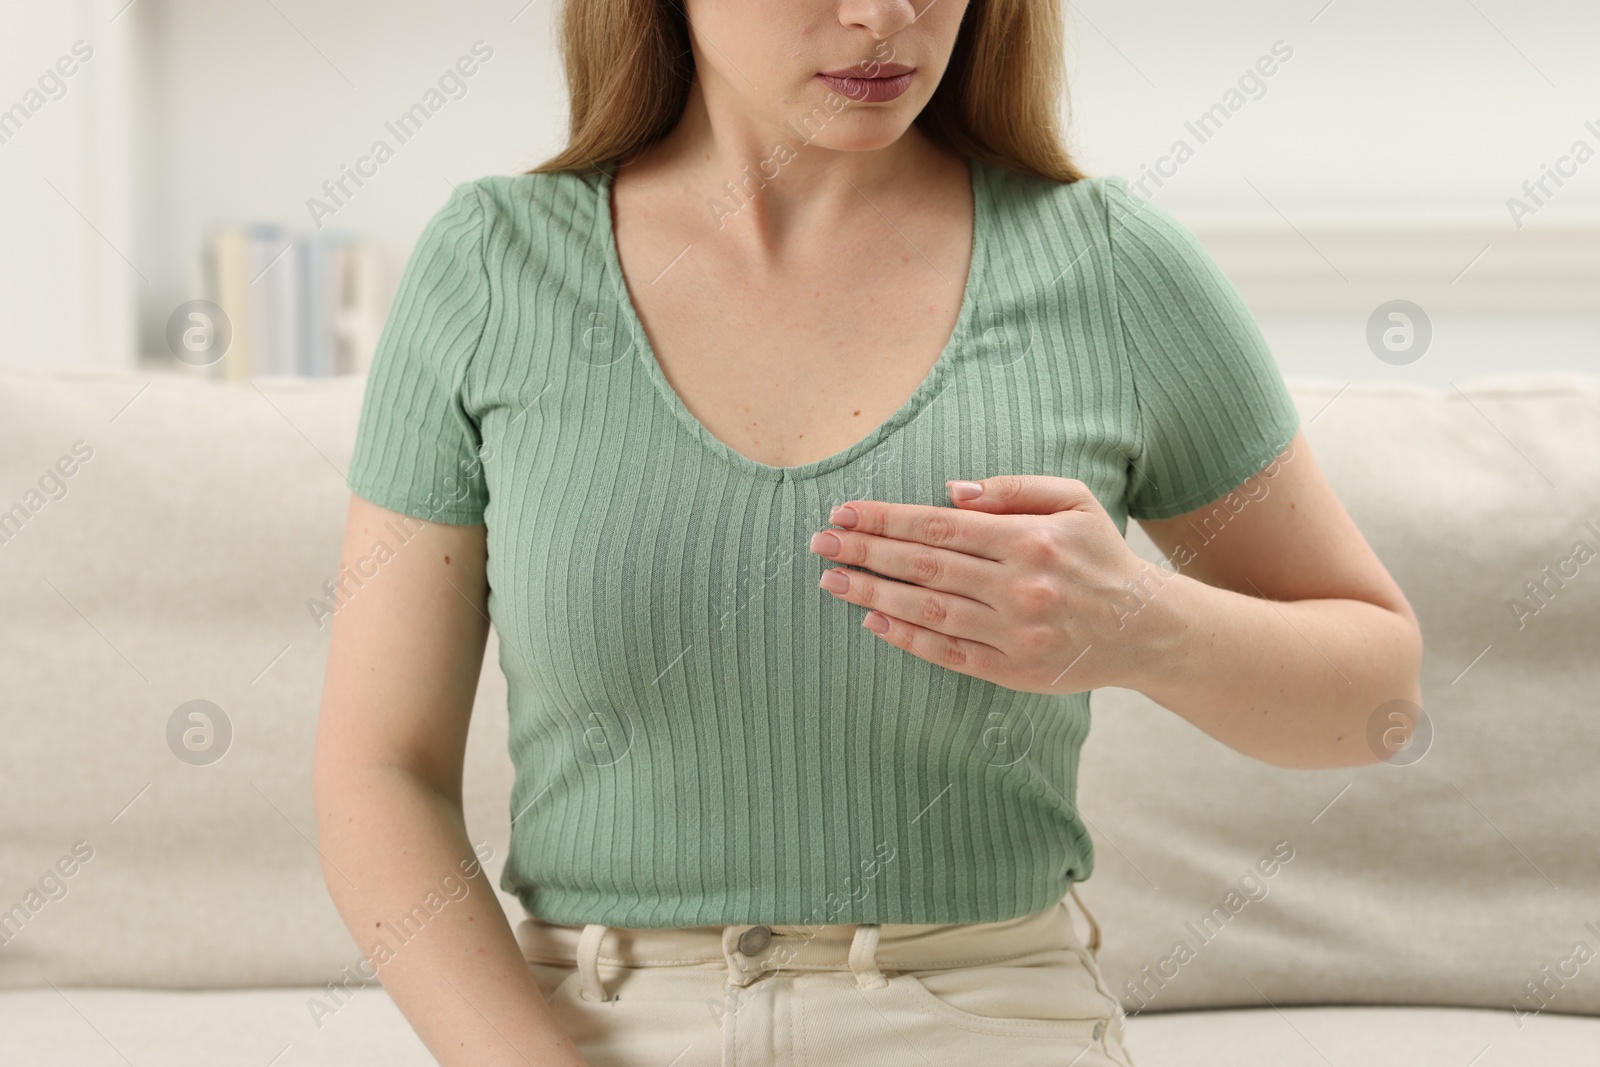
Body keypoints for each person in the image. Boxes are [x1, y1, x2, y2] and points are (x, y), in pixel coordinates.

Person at [312, 1, 1423, 1064]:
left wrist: (1140, 624)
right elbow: (379, 769)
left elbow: (1377, 700)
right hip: (590, 1027)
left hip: (989, 1020)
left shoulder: (1112, 270)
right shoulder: (492, 268)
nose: (884, 15)